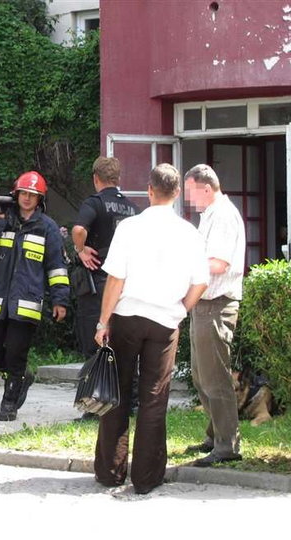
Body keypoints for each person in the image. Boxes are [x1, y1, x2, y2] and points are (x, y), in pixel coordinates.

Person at [93, 163, 208, 495]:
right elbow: (201, 282)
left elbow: (115, 279)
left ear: (149, 191)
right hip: (165, 320)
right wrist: (180, 309)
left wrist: (104, 321)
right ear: (175, 194)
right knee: (154, 400)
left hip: (127, 316)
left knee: (117, 395)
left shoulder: (130, 227)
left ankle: (111, 471)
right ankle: (146, 477)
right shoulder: (189, 232)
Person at [0, 171, 69, 421]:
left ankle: (9, 403)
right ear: (16, 195)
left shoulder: (47, 228)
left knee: (16, 353)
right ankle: (21, 377)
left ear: (40, 199)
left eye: (33, 195)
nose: (27, 198)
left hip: (26, 303)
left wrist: (60, 300)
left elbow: (57, 267)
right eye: (24, 193)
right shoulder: (3, 221)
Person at [183, 164, 246, 467]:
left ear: (206, 188)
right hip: (205, 304)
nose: (188, 200)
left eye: (190, 193)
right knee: (200, 374)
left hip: (217, 304)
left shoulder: (222, 214)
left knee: (215, 377)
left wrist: (185, 267)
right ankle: (215, 435)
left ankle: (227, 444)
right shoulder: (211, 214)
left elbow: (218, 263)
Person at [71, 157, 139, 422]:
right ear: (118, 179)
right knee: (125, 346)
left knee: (95, 343)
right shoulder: (133, 208)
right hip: (127, 285)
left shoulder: (94, 203)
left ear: (96, 179)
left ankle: (95, 406)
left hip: (99, 283)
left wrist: (80, 249)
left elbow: (78, 229)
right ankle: (130, 403)